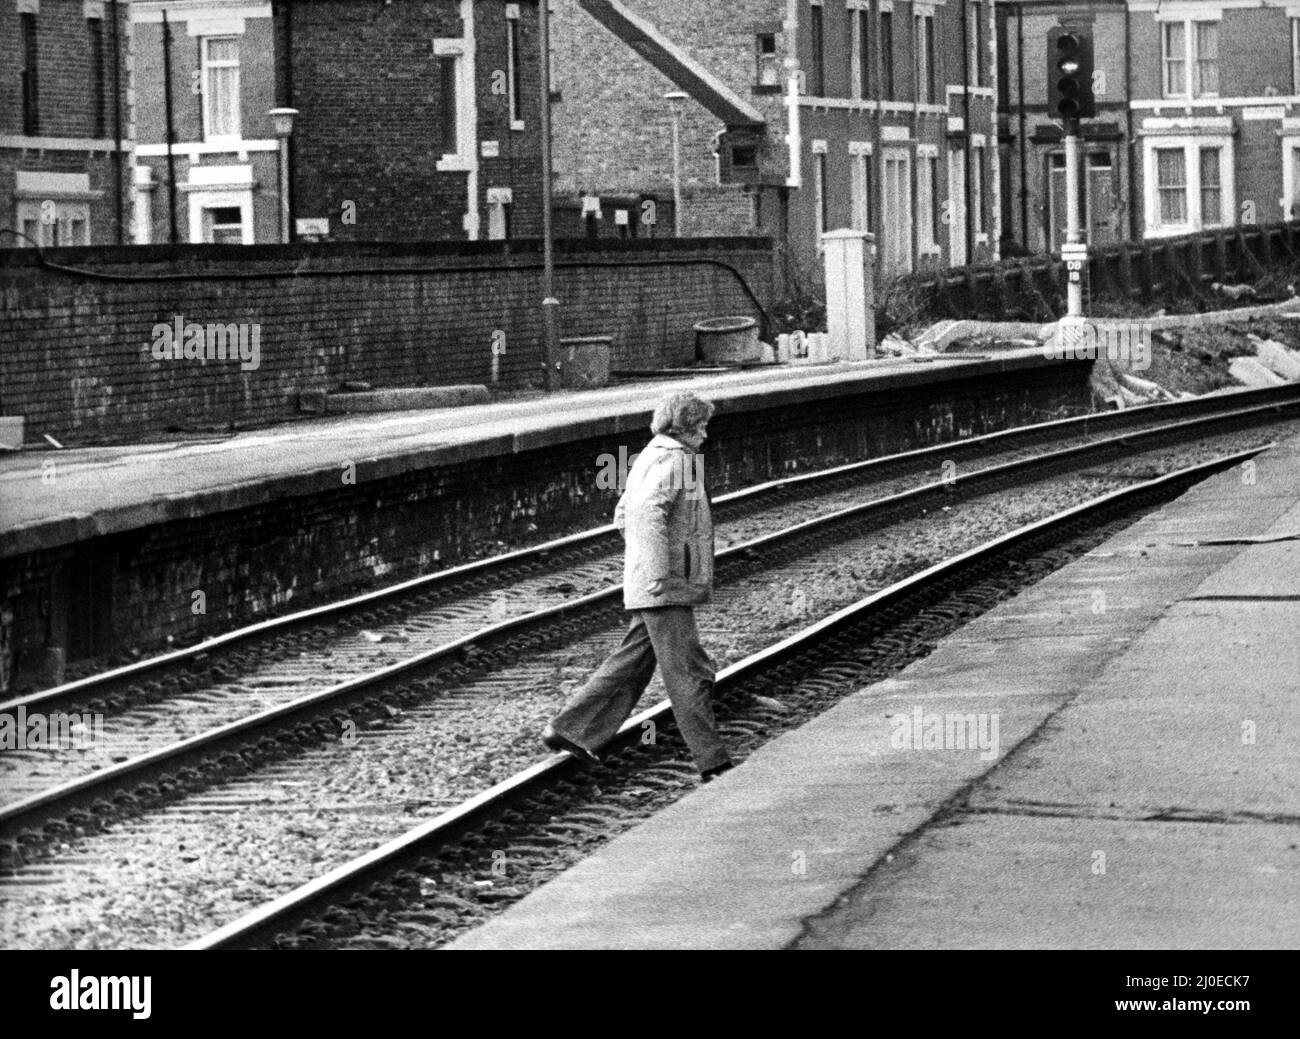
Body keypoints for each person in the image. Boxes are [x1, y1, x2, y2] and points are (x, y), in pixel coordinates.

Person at [542, 391, 734, 781]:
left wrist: (649, 567)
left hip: (654, 582)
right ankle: (714, 763)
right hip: (664, 586)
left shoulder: (651, 454)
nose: (705, 435)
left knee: (631, 664)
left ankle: (569, 729)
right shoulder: (676, 460)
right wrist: (662, 569)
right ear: (682, 426)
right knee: (689, 672)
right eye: (700, 426)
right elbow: (646, 512)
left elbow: (622, 514)